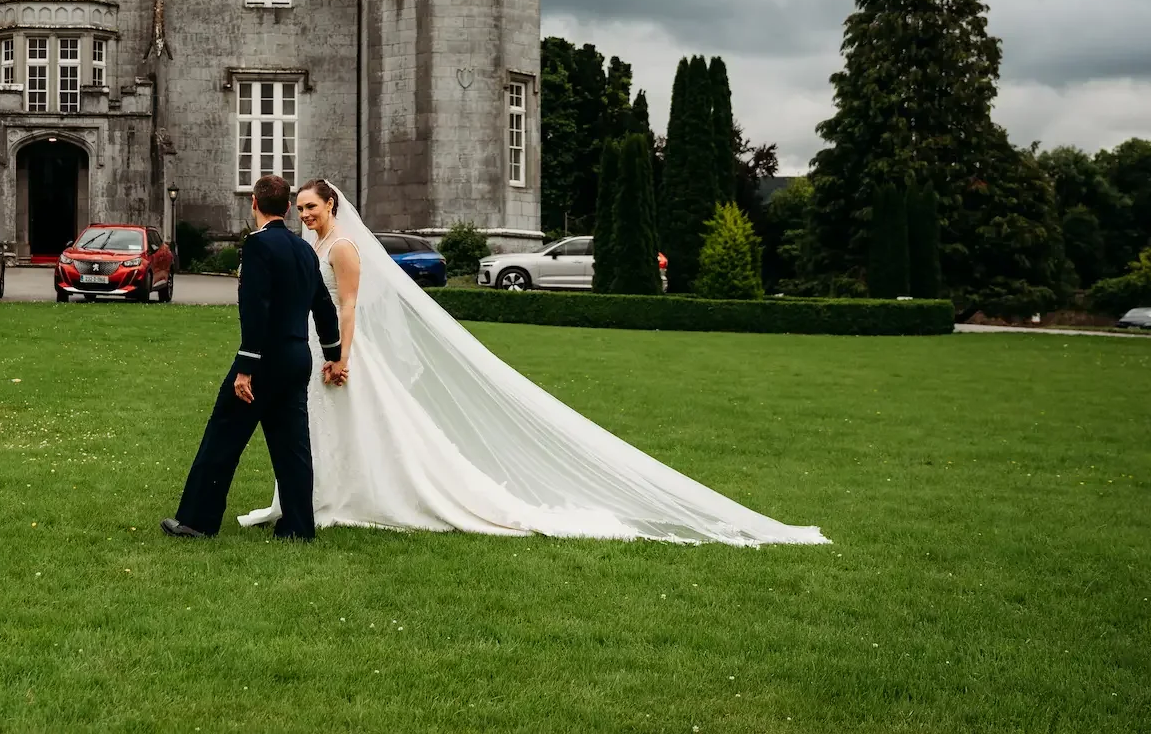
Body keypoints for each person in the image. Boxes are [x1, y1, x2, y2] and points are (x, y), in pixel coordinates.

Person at [240, 179, 829, 545]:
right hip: (311, 351)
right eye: (300, 207)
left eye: (312, 206)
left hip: (340, 352)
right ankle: (320, 501)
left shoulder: (341, 247)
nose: (305, 213)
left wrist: (345, 356)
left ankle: (349, 499)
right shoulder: (309, 245)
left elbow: (348, 305)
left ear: (331, 205)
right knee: (321, 430)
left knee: (370, 429)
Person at [162, 174, 342, 540]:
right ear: (289, 208)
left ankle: (197, 520)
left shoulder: (258, 246)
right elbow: (324, 307)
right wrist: (333, 351)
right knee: (293, 449)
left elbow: (254, 308)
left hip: (263, 362)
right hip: (297, 359)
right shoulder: (305, 250)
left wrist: (245, 366)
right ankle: (297, 527)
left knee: (223, 436)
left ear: (254, 204)